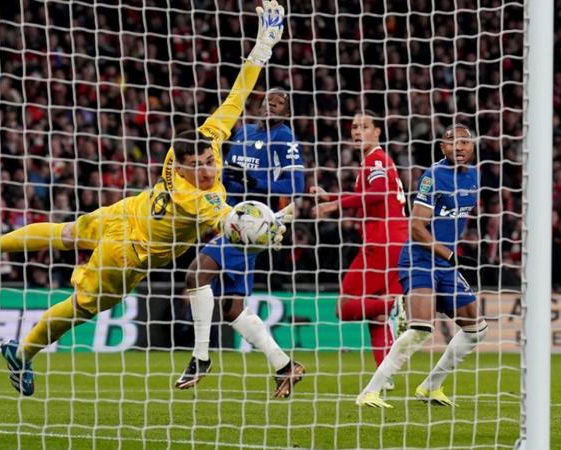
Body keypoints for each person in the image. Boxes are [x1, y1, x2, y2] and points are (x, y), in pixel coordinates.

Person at [0, 0, 288, 396]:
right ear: (180, 168)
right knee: (83, 307)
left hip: (128, 211)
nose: (207, 170)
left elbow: (239, 93)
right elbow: (227, 222)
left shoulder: (208, 139)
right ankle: (23, 352)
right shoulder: (196, 199)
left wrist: (263, 46)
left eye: (208, 161)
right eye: (197, 166)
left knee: (66, 233)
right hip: (130, 251)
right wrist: (260, 229)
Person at [175, 89, 306, 398]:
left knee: (196, 275)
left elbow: (296, 186)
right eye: (267, 100)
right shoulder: (244, 132)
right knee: (232, 309)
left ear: (287, 111)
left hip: (253, 225)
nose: (271, 104)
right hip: (228, 220)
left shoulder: (285, 137)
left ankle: (201, 358)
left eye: (279, 102)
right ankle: (285, 366)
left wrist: (257, 181)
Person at [355, 125, 487, 409]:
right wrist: (448, 254)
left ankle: (431, 386)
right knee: (420, 329)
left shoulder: (475, 176)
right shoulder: (433, 176)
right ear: (443, 148)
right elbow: (415, 227)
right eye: (453, 143)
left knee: (477, 330)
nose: (460, 147)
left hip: (446, 263)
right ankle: (370, 392)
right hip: (421, 259)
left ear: (473, 147)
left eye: (465, 142)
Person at [311, 111, 409, 390]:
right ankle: (384, 374)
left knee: (344, 307)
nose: (357, 131)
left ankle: (396, 304)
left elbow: (377, 193)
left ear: (377, 131)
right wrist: (330, 195)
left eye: (365, 126)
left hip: (382, 244)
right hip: (394, 242)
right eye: (354, 127)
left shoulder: (377, 159)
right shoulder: (372, 161)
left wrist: (333, 205)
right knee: (374, 316)